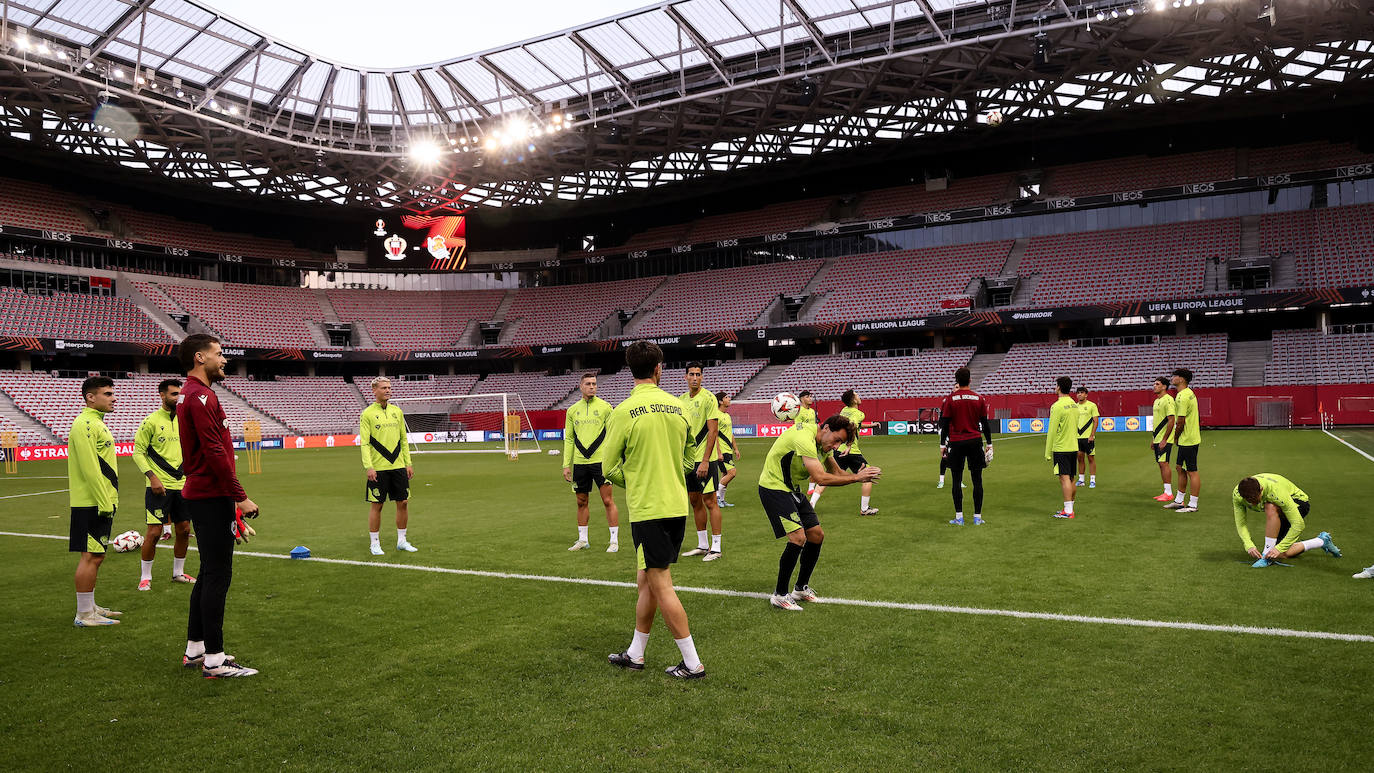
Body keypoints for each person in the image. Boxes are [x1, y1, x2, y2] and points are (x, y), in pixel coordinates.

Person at [603, 341, 706, 679]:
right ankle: (636, 654)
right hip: (677, 506)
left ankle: (693, 663)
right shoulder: (679, 408)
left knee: (660, 582)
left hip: (648, 508)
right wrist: (673, 475)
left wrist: (635, 481)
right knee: (645, 579)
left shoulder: (622, 411)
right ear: (659, 368)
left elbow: (608, 466)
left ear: (630, 369)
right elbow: (691, 455)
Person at [177, 334, 260, 678]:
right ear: (200, 357)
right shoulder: (200, 396)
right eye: (220, 353)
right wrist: (239, 496)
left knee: (209, 571)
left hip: (204, 493)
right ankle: (215, 659)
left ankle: (196, 648)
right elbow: (214, 453)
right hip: (211, 494)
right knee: (218, 574)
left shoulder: (191, 394)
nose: (224, 359)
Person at [760, 416, 880, 611]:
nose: (836, 446)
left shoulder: (823, 444)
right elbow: (820, 478)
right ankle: (780, 594)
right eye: (836, 440)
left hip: (792, 489)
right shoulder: (804, 437)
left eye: (840, 442)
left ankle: (800, 589)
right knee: (798, 538)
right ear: (825, 428)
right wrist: (857, 478)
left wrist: (859, 476)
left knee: (816, 535)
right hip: (773, 487)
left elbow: (837, 472)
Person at [131, 378, 195, 591]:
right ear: (162, 395)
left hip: (184, 485)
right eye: (173, 394)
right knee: (154, 532)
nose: (178, 397)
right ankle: (145, 576)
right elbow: (138, 452)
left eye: (180, 394)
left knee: (184, 530)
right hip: (159, 486)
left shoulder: (186, 420)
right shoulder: (150, 421)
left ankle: (178, 573)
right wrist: (152, 477)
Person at [69, 376, 122, 627]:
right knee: (91, 556)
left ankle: (90, 607)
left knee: (95, 555)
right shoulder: (85, 424)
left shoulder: (95, 422)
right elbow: (90, 468)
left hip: (99, 500)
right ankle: (83, 614)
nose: (114, 398)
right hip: (92, 502)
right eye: (108, 394)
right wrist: (104, 502)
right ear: (91, 397)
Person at [562, 373, 620, 552]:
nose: (592, 387)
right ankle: (583, 540)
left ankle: (614, 541)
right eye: (588, 384)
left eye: (594, 384)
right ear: (581, 386)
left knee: (608, 500)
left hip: (601, 462)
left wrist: (614, 460)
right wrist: (566, 464)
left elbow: (613, 435)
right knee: (581, 501)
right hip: (580, 463)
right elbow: (570, 439)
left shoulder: (606, 408)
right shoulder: (572, 410)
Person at [1232, 474, 1341, 568]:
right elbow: (1241, 523)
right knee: (1282, 554)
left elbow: (1298, 524)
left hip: (1298, 502)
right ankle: (1321, 541)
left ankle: (1265, 556)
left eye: (1255, 500)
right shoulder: (1237, 495)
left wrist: (1278, 548)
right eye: (1249, 501)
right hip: (1280, 510)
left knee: (1270, 506)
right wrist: (1248, 544)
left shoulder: (1276, 492)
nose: (1254, 504)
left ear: (1261, 490)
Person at [361, 377, 416, 555]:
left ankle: (402, 540)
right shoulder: (367, 414)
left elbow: (403, 440)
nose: (388, 390)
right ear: (374, 391)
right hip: (378, 468)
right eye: (384, 388)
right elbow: (364, 443)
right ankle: (374, 543)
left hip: (398, 466)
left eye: (389, 387)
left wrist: (408, 463)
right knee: (378, 505)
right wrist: (368, 466)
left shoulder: (397, 412)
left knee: (404, 502)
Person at [679, 362, 724, 561]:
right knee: (694, 501)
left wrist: (705, 460)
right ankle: (702, 544)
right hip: (688, 461)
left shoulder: (708, 399)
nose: (695, 377)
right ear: (686, 377)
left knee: (710, 501)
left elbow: (712, 430)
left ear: (702, 377)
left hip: (705, 460)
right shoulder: (681, 400)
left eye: (698, 374)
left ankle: (716, 547)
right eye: (691, 374)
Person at [811, 389, 879, 515]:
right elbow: (852, 426)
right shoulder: (859, 413)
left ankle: (812, 503)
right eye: (857, 395)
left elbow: (854, 425)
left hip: (837, 450)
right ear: (853, 400)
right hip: (852, 451)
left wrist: (871, 425)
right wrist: (849, 445)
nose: (859, 397)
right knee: (868, 475)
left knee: (829, 474)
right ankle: (864, 509)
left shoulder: (844, 411)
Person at [940, 367, 993, 526]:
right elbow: (985, 424)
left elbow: (945, 423)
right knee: (977, 480)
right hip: (975, 441)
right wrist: (989, 443)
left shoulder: (950, 399)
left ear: (957, 381)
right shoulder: (979, 398)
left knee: (956, 480)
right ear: (970, 380)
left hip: (956, 442)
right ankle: (977, 517)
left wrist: (943, 445)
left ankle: (959, 517)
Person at [1164, 368, 1201, 513]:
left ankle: (1193, 505)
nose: (1172, 378)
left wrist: (1175, 437)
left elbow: (1181, 421)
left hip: (1188, 439)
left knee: (1192, 471)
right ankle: (1179, 501)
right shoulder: (1187, 393)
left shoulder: (1182, 396)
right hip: (1189, 438)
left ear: (1182, 379)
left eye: (1175, 376)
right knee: (1180, 468)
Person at [1045, 376, 1079, 519]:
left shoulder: (1057, 406)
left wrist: (1047, 451)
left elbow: (1052, 430)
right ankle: (1070, 507)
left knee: (1064, 478)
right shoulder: (1074, 404)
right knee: (1071, 478)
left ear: (1058, 387)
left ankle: (1068, 511)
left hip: (1061, 447)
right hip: (1073, 446)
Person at [1149, 377, 1177, 502]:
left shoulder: (1169, 400)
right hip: (1157, 438)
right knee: (1161, 464)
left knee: (1164, 463)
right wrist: (1153, 439)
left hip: (1164, 439)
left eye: (1157, 384)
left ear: (1164, 386)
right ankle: (1166, 491)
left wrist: (1165, 439)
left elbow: (1171, 420)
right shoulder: (1157, 401)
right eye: (1154, 384)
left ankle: (1169, 493)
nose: (1154, 386)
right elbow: (1157, 422)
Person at [714, 391, 741, 509]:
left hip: (728, 450)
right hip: (722, 451)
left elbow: (730, 434)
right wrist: (718, 452)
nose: (729, 399)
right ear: (720, 401)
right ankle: (716, 496)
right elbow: (714, 435)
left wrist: (735, 449)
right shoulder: (716, 415)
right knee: (732, 473)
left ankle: (722, 500)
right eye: (726, 397)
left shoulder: (727, 415)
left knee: (725, 474)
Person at [1074, 386, 1100, 489]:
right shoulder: (1074, 407)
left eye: (1081, 393)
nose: (1079, 394)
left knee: (1090, 458)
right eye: (1078, 393)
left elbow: (1096, 421)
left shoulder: (1092, 405)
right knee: (1080, 458)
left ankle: (1092, 480)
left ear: (1086, 394)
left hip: (1088, 437)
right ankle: (1081, 480)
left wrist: (1092, 435)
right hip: (1077, 437)